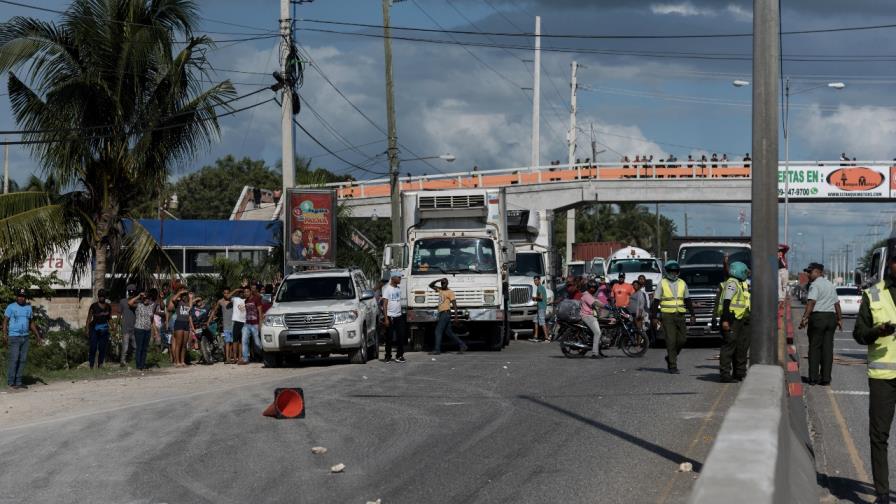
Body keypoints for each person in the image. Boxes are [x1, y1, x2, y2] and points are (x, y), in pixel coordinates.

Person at [853, 254, 896, 504]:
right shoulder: (874, 294)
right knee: (879, 436)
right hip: (883, 377)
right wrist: (877, 332)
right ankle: (882, 494)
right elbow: (859, 334)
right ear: (890, 264)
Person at [799, 262, 841, 386]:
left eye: (810, 272)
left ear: (818, 272)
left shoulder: (815, 285)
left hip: (818, 317)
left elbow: (811, 303)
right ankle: (826, 378)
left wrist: (804, 318)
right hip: (831, 317)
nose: (808, 274)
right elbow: (837, 304)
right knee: (827, 348)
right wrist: (840, 319)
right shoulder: (830, 285)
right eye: (808, 272)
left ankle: (813, 378)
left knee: (814, 347)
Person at [651, 261, 696, 374]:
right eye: (671, 271)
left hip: (680, 314)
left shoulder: (682, 283)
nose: (673, 273)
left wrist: (692, 314)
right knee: (671, 340)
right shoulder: (662, 283)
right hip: (667, 315)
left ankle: (671, 356)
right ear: (667, 271)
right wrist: (654, 317)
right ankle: (672, 365)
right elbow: (656, 301)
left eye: (675, 271)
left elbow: (688, 300)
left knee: (682, 340)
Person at [718, 261, 751, 383]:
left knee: (740, 346)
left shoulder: (739, 283)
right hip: (731, 319)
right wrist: (726, 321)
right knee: (729, 347)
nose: (746, 274)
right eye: (744, 272)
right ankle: (725, 375)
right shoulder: (732, 283)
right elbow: (727, 302)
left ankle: (739, 373)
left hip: (739, 318)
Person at [3, 288, 42, 389]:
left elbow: (31, 323)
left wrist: (38, 336)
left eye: (23, 296)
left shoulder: (28, 308)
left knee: (22, 360)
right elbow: (5, 321)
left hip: (25, 337)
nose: (21, 298)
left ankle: (19, 381)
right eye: (19, 296)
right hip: (14, 336)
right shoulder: (11, 307)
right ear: (17, 296)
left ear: (25, 298)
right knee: (15, 359)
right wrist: (4, 335)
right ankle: (11, 382)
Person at [428, 278, 468, 355]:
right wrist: (438, 280)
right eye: (442, 283)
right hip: (442, 313)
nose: (443, 284)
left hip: (445, 313)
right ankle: (462, 345)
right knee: (449, 333)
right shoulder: (440, 290)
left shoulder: (450, 292)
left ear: (447, 283)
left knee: (438, 331)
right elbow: (430, 285)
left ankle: (437, 350)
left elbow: (454, 305)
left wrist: (456, 317)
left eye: (444, 283)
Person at [129, 288, 159, 371]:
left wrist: (155, 331)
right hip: (139, 329)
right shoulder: (139, 305)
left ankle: (143, 365)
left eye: (148, 298)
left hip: (147, 329)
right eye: (145, 298)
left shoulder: (151, 306)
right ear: (143, 299)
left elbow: (152, 320)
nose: (147, 300)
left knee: (145, 348)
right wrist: (138, 296)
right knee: (139, 347)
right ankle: (138, 366)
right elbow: (130, 303)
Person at [381, 271, 406, 363]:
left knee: (401, 336)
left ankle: (399, 355)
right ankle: (387, 356)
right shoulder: (387, 289)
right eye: (399, 277)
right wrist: (386, 318)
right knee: (389, 337)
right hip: (390, 317)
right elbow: (384, 304)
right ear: (393, 278)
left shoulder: (398, 289)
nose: (400, 279)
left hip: (398, 316)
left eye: (400, 277)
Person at [86, 289, 113, 369]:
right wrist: (87, 329)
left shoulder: (108, 306)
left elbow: (109, 318)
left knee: (102, 347)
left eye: (103, 296)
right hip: (94, 328)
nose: (102, 297)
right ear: (98, 296)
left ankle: (100, 364)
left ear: (105, 297)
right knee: (93, 347)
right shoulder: (93, 306)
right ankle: (91, 365)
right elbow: (89, 318)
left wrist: (113, 327)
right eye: (100, 296)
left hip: (104, 329)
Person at [167, 288, 193, 367]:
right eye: (184, 296)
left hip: (186, 323)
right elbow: (173, 299)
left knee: (184, 344)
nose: (185, 297)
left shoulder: (187, 303)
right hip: (179, 323)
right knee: (179, 343)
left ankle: (182, 361)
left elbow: (190, 307)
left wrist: (191, 297)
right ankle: (177, 361)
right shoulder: (178, 302)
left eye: (186, 295)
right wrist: (180, 292)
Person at [580, 281, 603, 359]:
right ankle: (594, 353)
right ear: (588, 287)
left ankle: (599, 351)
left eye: (594, 288)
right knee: (597, 333)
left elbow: (597, 301)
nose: (592, 289)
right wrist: (606, 306)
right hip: (587, 316)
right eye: (591, 287)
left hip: (592, 316)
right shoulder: (586, 295)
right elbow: (595, 303)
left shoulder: (590, 295)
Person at [242, 283, 264, 365]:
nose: (246, 293)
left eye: (247, 292)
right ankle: (245, 359)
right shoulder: (245, 301)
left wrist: (260, 323)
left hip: (255, 324)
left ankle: (264, 355)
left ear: (251, 292)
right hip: (247, 324)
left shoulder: (256, 299)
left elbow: (260, 311)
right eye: (245, 292)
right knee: (244, 340)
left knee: (257, 342)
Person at [215, 288, 236, 364]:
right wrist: (209, 320)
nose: (226, 294)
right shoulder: (220, 301)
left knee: (233, 342)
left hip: (234, 324)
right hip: (226, 325)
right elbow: (215, 310)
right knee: (227, 342)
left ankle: (233, 358)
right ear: (222, 293)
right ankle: (227, 358)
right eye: (225, 293)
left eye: (228, 293)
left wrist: (236, 290)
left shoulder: (233, 301)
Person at [118, 284, 137, 367]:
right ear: (128, 292)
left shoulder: (137, 302)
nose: (131, 293)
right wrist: (116, 325)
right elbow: (119, 314)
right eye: (130, 291)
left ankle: (135, 360)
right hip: (125, 326)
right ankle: (123, 361)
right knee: (125, 346)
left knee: (135, 345)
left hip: (135, 326)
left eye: (133, 291)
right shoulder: (122, 301)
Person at [232, 288, 248, 365]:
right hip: (236, 321)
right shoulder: (235, 299)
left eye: (243, 292)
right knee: (235, 340)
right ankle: (235, 358)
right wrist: (236, 290)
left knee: (241, 341)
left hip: (244, 322)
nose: (242, 294)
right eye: (240, 292)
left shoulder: (247, 300)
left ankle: (240, 357)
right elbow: (228, 296)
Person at [532, 276, 549, 342]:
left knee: (542, 322)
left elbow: (541, 297)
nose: (535, 281)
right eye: (534, 280)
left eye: (536, 280)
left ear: (539, 280)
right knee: (535, 321)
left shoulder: (540, 287)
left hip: (541, 308)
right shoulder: (540, 287)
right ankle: (535, 336)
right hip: (539, 307)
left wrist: (534, 298)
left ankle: (547, 337)